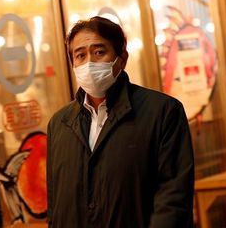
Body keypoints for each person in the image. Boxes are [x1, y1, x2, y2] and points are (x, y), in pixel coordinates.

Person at [46, 16, 194, 227]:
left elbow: (173, 197)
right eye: (80, 55)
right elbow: (55, 205)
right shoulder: (59, 124)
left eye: (99, 52)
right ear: (73, 64)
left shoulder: (162, 112)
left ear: (121, 58)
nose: (89, 63)